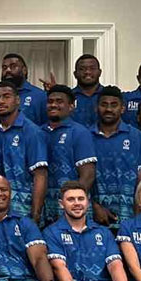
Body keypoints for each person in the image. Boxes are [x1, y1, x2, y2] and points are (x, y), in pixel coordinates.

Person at [90, 86, 141, 225]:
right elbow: (78, 178)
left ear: (122, 109)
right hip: (92, 218)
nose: (109, 109)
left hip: (129, 218)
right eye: (104, 104)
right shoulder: (84, 136)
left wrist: (136, 222)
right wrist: (93, 206)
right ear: (96, 108)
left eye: (114, 105)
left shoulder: (138, 138)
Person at [0, 81, 48, 224]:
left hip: (24, 211)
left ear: (17, 100)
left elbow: (40, 175)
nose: (1, 101)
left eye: (6, 96)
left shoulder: (32, 132)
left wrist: (35, 216)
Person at [41, 86, 96, 225]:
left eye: (59, 101)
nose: (53, 105)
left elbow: (88, 175)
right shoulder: (38, 132)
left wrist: (72, 202)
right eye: (50, 101)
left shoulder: (79, 132)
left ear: (71, 106)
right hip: (45, 206)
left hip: (71, 209)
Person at [0, 53, 47, 125]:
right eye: (4, 68)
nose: (8, 70)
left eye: (13, 66)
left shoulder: (41, 96)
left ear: (24, 70)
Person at [70, 54, 103, 128]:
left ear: (100, 72)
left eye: (92, 68)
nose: (87, 72)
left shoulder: (108, 96)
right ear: (75, 74)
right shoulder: (68, 97)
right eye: (82, 69)